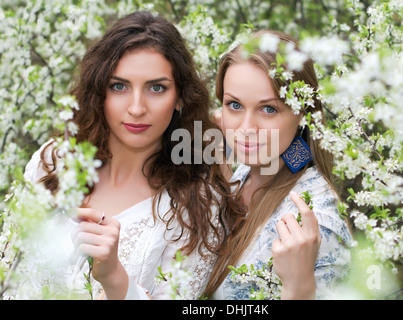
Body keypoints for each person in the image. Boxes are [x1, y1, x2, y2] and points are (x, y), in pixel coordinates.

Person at [23, 11, 241, 300]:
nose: (137, 108)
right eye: (119, 86)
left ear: (179, 97)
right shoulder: (50, 162)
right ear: (99, 91)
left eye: (156, 88)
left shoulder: (198, 205)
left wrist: (116, 280)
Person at [204, 30, 352, 300]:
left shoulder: (316, 224)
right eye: (234, 104)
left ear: (302, 113)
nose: (247, 129)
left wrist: (299, 289)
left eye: (269, 109)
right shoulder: (251, 172)